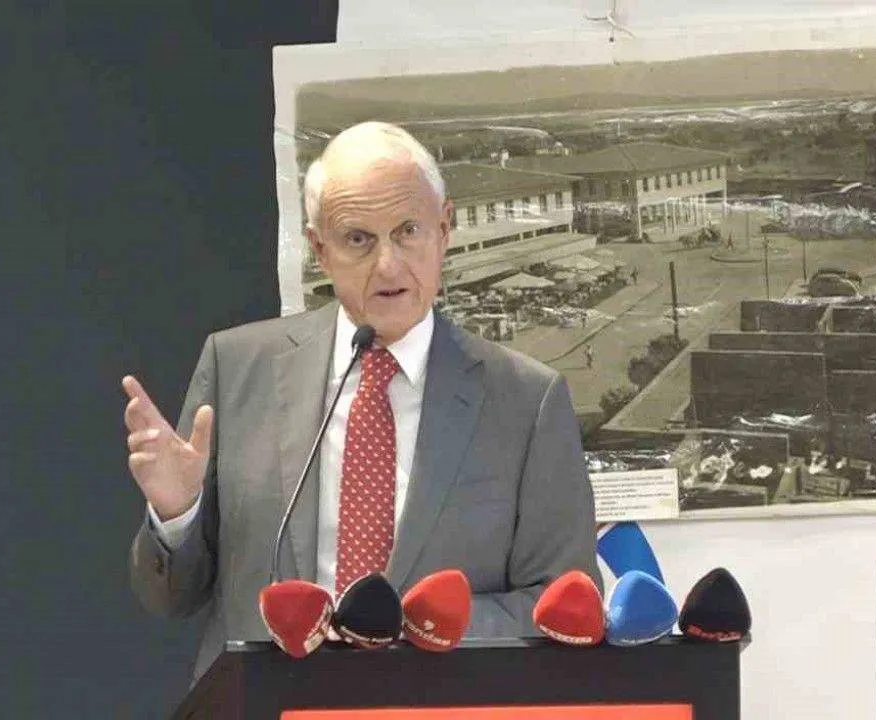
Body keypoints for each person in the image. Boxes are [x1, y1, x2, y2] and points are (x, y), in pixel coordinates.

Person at [124, 121, 601, 680]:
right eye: (358, 239)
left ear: (444, 228)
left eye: (408, 231)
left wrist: (415, 628)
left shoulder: (526, 399)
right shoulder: (237, 369)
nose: (388, 265)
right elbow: (171, 598)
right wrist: (176, 516)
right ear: (318, 249)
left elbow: (562, 607)